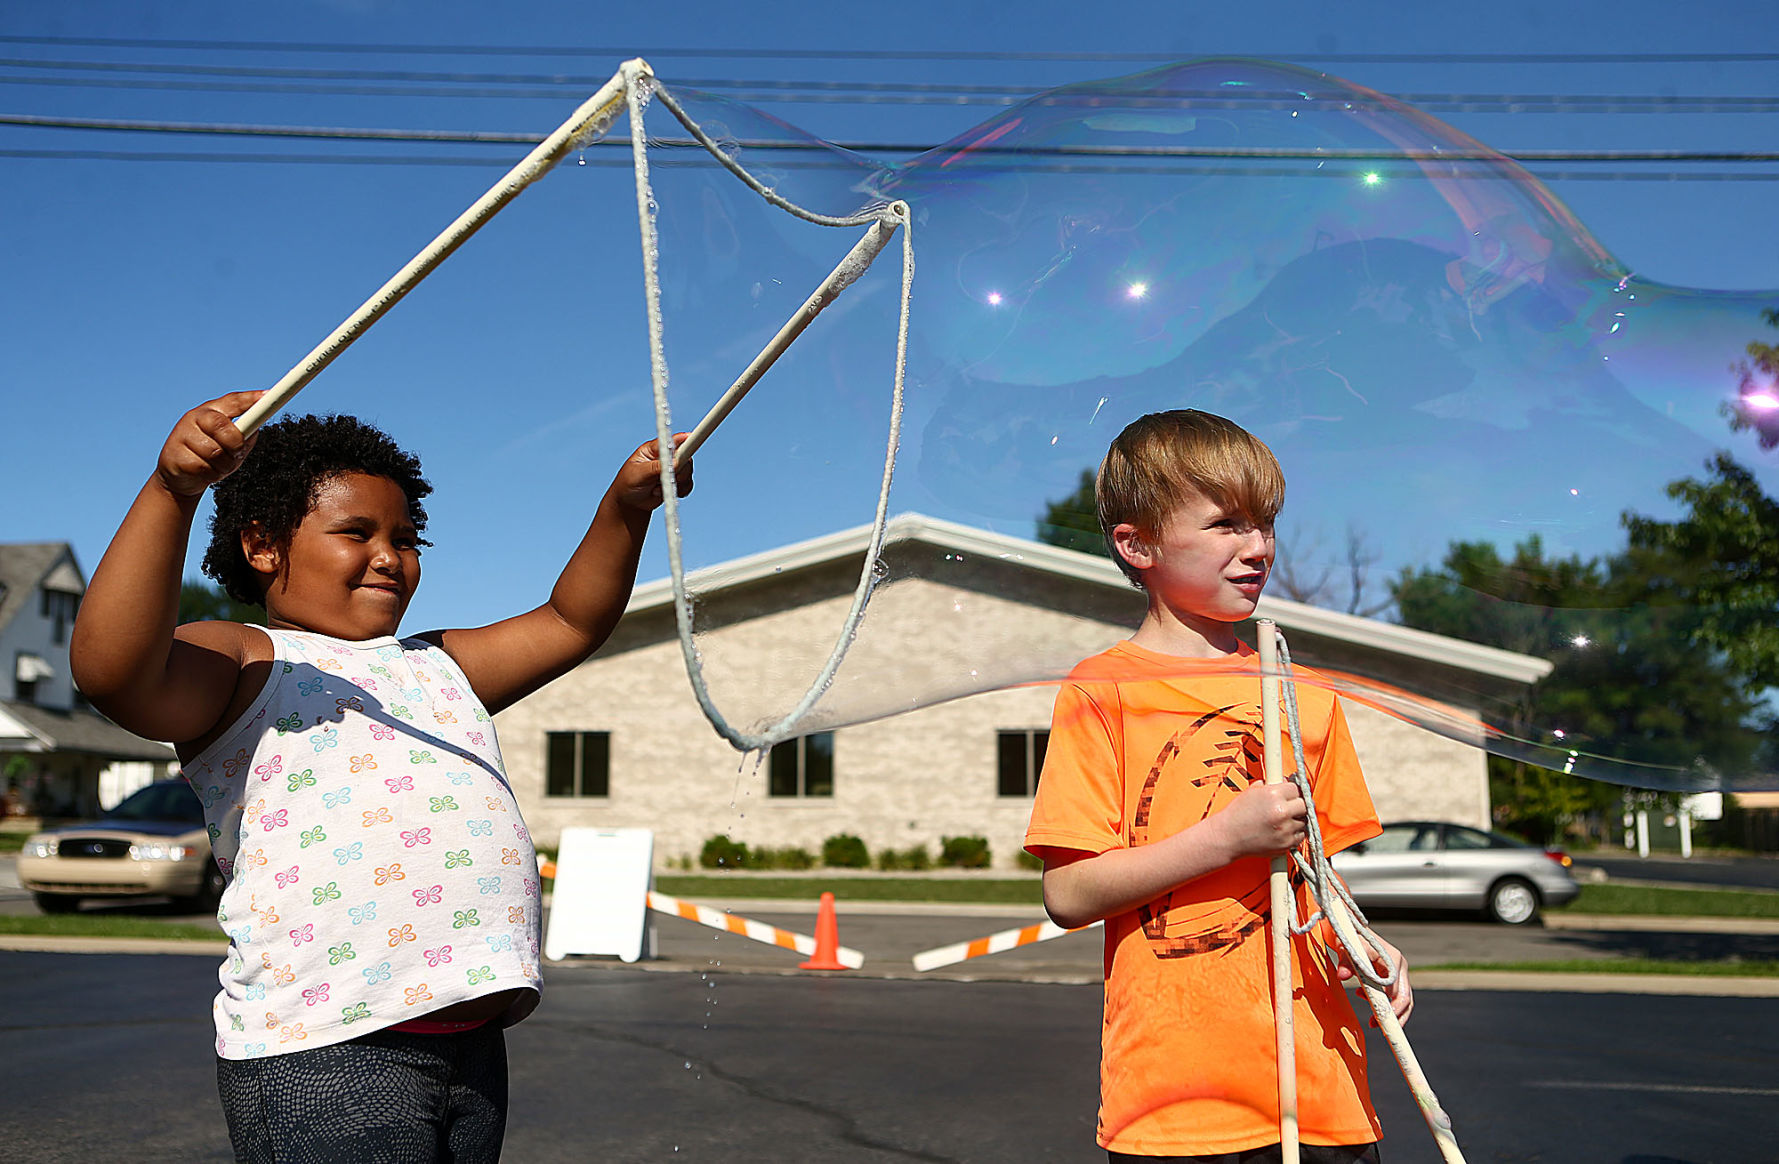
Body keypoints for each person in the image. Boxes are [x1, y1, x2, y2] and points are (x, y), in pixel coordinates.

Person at [70, 392, 691, 1163]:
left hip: (470, 1047)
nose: (391, 556)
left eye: (406, 537)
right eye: (355, 533)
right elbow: (113, 670)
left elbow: (570, 621)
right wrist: (173, 491)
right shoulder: (243, 659)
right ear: (263, 545)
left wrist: (624, 510)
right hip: (325, 1048)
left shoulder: (439, 667)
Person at [1024, 409, 1412, 1163]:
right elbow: (1068, 894)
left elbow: (1318, 885)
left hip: (1321, 1092)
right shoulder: (1103, 688)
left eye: (1265, 522)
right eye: (1226, 523)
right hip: (1178, 1102)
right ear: (1136, 545)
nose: (1259, 545)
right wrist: (1222, 839)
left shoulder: (1305, 692)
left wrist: (1362, 944)